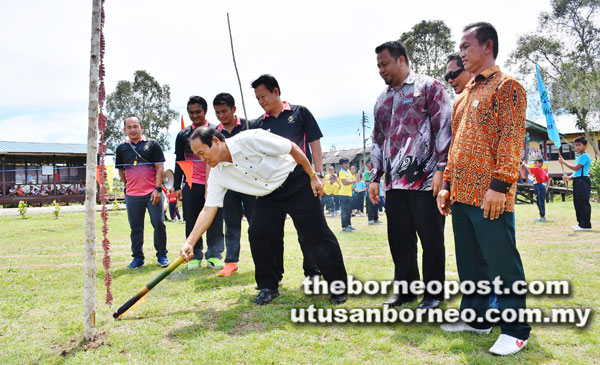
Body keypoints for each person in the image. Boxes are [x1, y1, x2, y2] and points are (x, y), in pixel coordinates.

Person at [437, 22, 531, 356]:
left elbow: (511, 139)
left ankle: (516, 329)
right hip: (461, 194)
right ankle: (476, 318)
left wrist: (499, 185)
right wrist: (446, 185)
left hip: (490, 194)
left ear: (487, 46)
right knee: (470, 261)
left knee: (502, 261)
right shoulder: (463, 97)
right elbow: (454, 147)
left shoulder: (508, 87)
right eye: (460, 47)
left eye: (466, 46)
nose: (461, 52)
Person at [179, 127, 348, 305]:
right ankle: (268, 286)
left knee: (316, 234)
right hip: (268, 196)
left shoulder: (249, 139)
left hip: (295, 182)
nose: (201, 159)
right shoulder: (217, 174)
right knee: (258, 233)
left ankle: (338, 287)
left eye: (202, 152)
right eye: (197, 155)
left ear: (215, 141)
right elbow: (208, 209)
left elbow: (291, 147)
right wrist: (190, 241)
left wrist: (313, 176)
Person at [369, 40, 451, 310]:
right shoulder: (381, 100)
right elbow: (378, 140)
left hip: (426, 180)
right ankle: (406, 291)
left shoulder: (429, 87)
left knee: (431, 240)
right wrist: (375, 176)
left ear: (401, 60)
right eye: (378, 65)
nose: (381, 70)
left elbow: (443, 130)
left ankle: (433, 294)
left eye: (385, 63)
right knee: (400, 240)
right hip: (394, 184)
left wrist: (441, 169)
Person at [251, 74, 323, 281]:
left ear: (276, 91)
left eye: (263, 96)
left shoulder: (300, 113)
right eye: (257, 98)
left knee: (308, 232)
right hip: (272, 187)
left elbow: (315, 144)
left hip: (302, 182)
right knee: (264, 233)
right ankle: (270, 282)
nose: (261, 102)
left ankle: (313, 274)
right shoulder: (258, 125)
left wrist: (316, 175)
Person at [174, 96, 225, 271]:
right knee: (191, 219)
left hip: (214, 182)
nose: (195, 115)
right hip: (190, 184)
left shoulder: (215, 131)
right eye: (191, 112)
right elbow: (179, 161)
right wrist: (176, 187)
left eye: (198, 112)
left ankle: (214, 256)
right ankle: (194, 255)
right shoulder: (183, 135)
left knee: (215, 219)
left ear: (205, 111)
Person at [115, 115, 170, 269]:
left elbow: (160, 168)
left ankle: (162, 255)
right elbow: (121, 172)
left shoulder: (153, 145)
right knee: (136, 227)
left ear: (141, 127)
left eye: (135, 126)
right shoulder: (121, 149)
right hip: (132, 195)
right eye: (129, 127)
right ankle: (138, 258)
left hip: (153, 193)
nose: (133, 130)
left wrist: (157, 189)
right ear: (125, 129)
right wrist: (129, 187)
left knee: (158, 223)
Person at [212, 92, 256, 276]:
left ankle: (261, 258)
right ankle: (231, 262)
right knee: (231, 224)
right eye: (217, 112)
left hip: (251, 183)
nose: (221, 116)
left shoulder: (249, 126)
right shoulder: (214, 133)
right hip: (229, 185)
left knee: (257, 223)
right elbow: (212, 159)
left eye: (224, 111)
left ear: (234, 109)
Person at [559, 136, 592, 231]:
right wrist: (569, 177)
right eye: (576, 145)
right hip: (578, 180)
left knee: (583, 202)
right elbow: (576, 172)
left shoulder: (585, 156)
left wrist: (563, 162)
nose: (577, 147)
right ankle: (581, 223)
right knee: (577, 202)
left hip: (583, 181)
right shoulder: (579, 156)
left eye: (579, 145)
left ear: (585, 146)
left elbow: (576, 168)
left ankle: (586, 224)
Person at [338, 158, 356, 232]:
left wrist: (354, 181)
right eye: (345, 163)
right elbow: (345, 182)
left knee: (349, 211)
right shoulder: (342, 172)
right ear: (341, 165)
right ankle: (344, 226)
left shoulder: (348, 171)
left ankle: (349, 225)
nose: (347, 165)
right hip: (343, 194)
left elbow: (352, 181)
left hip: (349, 194)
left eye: (348, 163)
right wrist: (352, 181)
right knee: (344, 211)